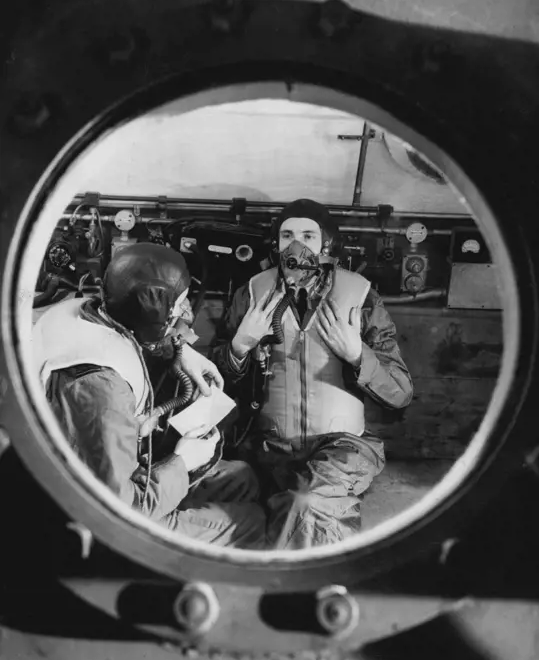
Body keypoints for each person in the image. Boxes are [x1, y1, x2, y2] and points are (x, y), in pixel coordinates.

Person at [32, 242, 266, 549]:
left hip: (114, 473)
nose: (185, 311)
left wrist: (181, 352)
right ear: (156, 311)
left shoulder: (86, 310)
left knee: (241, 478)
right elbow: (120, 509)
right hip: (107, 519)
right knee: (251, 521)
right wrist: (183, 461)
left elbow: (134, 329)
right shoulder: (101, 389)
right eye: (178, 304)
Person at [211, 199, 413, 549]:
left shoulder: (359, 297)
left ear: (326, 244)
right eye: (287, 234)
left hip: (341, 446)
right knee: (268, 507)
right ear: (276, 244)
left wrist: (356, 354)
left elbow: (400, 392)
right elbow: (214, 381)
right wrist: (240, 346)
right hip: (268, 446)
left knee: (306, 505)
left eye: (308, 234)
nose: (297, 244)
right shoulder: (254, 293)